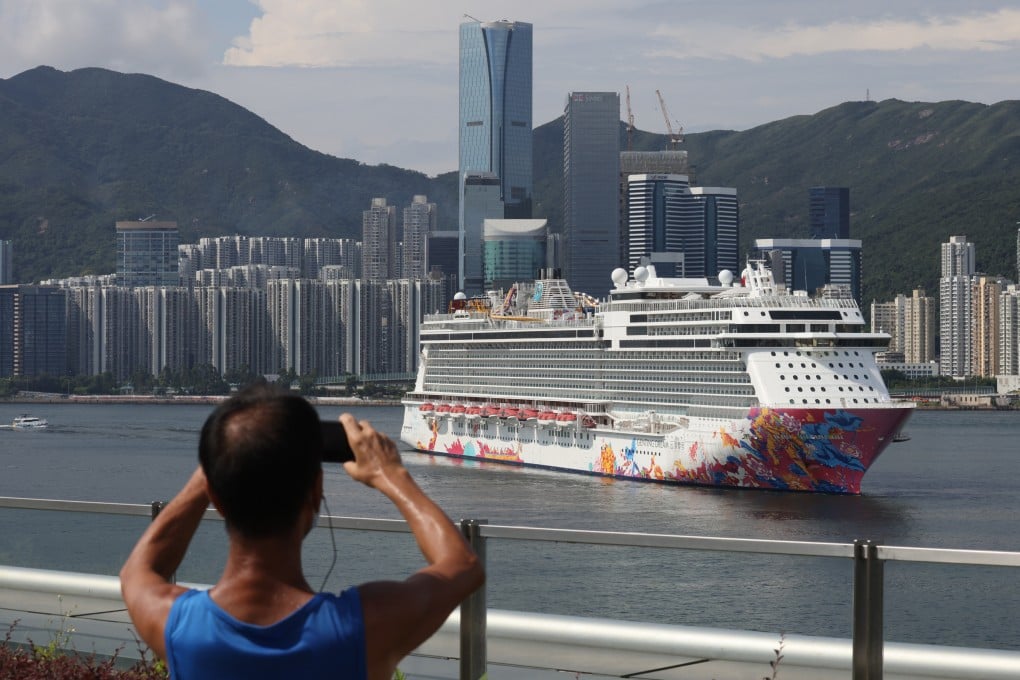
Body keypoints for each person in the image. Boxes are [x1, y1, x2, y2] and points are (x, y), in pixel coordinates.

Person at [120, 383, 484, 680]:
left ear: (216, 495)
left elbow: (138, 571)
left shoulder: (179, 626)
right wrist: (391, 475)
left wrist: (216, 468)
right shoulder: (363, 627)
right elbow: (462, 565)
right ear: (315, 492)